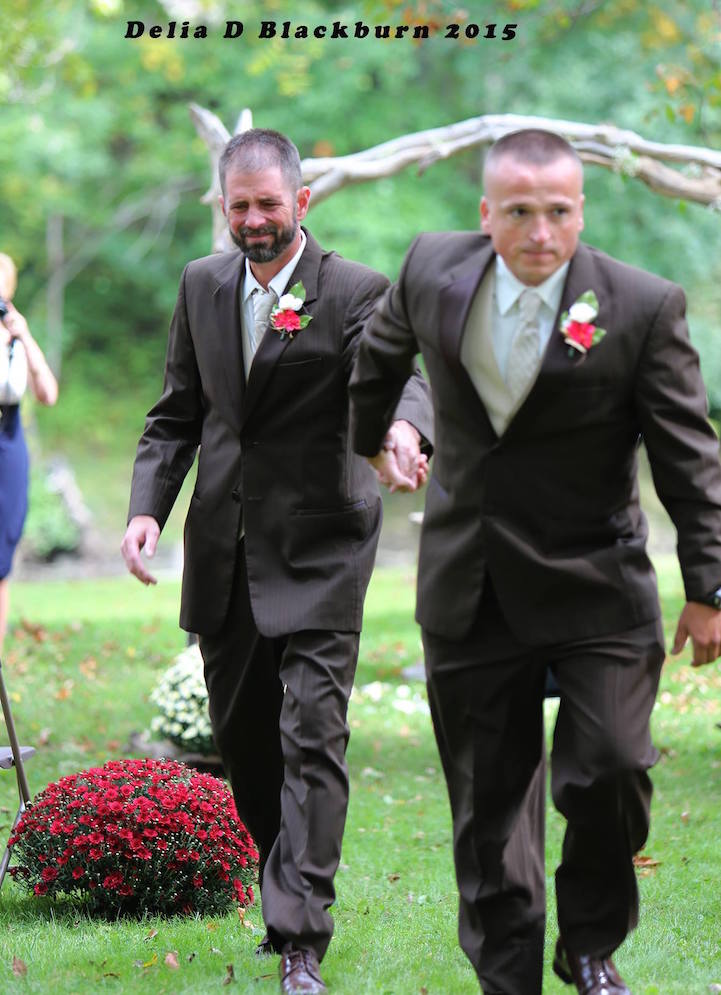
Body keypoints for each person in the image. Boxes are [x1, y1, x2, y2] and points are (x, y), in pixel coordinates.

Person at [349, 129, 721, 995]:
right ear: (487, 213)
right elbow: (378, 355)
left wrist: (708, 586)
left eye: (557, 212)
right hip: (470, 581)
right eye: (519, 212)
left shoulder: (640, 305)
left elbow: (686, 460)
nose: (540, 231)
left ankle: (589, 944)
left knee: (614, 766)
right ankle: (506, 972)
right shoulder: (430, 270)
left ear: (579, 211)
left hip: (599, 581)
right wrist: (380, 436)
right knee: (487, 807)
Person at [121, 129, 432, 995]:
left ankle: (301, 936)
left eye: (269, 203)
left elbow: (398, 374)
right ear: (223, 207)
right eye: (239, 205)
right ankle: (280, 881)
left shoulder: (356, 291)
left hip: (322, 546)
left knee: (312, 737)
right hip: (223, 551)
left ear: (303, 202)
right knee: (248, 746)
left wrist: (404, 429)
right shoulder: (201, 283)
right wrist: (149, 510)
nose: (254, 220)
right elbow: (177, 413)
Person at [0, 253, 59, 655]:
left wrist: (24, 337)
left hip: (9, 438)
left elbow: (48, 394)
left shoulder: (15, 333)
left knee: (4, 548)